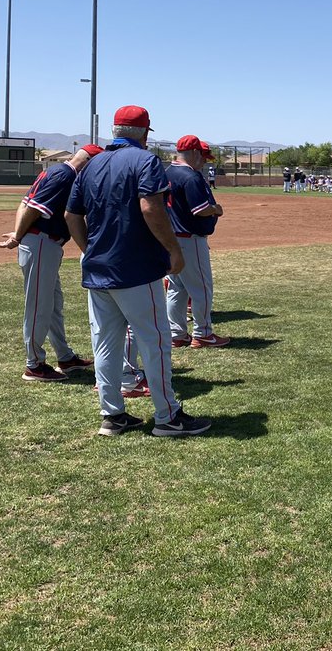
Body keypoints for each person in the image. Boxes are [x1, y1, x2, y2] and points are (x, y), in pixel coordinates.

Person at [65, 105, 211, 438]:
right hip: (136, 268)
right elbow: (150, 206)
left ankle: (112, 416)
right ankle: (168, 417)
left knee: (105, 345)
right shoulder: (145, 161)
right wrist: (173, 249)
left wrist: (90, 250)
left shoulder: (92, 162)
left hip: (98, 271)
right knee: (155, 341)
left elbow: (71, 216)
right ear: (145, 133)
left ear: (115, 131)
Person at [0, 143, 104, 382]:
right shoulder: (64, 176)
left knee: (53, 304)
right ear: (87, 162)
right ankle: (34, 365)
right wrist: (18, 236)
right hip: (41, 243)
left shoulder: (58, 172)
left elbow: (24, 204)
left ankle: (65, 357)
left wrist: (17, 233)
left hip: (44, 244)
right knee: (39, 306)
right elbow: (32, 209)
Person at [165, 135, 230, 349]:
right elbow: (200, 210)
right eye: (202, 156)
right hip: (190, 239)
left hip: (172, 238)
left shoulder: (167, 173)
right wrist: (216, 210)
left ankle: (176, 334)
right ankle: (202, 333)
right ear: (194, 153)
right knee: (201, 288)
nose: (203, 161)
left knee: (177, 288)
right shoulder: (190, 176)